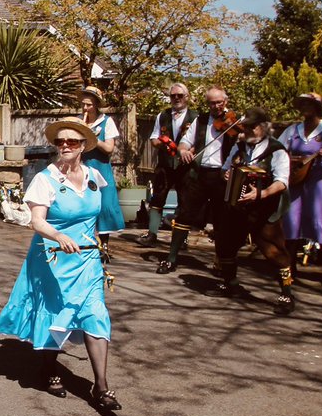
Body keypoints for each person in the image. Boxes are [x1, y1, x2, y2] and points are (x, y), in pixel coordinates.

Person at [0, 118, 122, 414]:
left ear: (83, 147)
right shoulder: (45, 179)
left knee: (96, 314)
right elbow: (36, 220)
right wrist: (58, 235)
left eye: (72, 142)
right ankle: (48, 367)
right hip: (52, 258)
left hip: (88, 260)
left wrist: (103, 246)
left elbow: (97, 216)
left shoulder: (93, 176)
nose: (64, 146)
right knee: (57, 313)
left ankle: (101, 386)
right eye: (60, 142)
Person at [216, 108, 298, 315]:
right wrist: (227, 175)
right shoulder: (240, 147)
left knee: (274, 251)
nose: (247, 130)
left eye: (251, 126)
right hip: (238, 206)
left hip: (264, 209)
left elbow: (281, 183)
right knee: (226, 244)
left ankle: (286, 293)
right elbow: (226, 168)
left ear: (262, 127)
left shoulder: (277, 151)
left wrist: (259, 194)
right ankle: (230, 283)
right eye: (245, 127)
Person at [156, 86, 237, 275]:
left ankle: (221, 262)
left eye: (219, 102)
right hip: (199, 174)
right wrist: (183, 150)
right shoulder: (200, 120)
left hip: (222, 176)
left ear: (225, 102)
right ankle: (171, 258)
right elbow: (185, 141)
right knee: (184, 215)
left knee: (221, 220)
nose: (216, 106)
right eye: (212, 103)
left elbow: (240, 147)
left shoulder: (233, 121)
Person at [278, 92, 322, 287]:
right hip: (297, 182)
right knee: (291, 222)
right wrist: (291, 161)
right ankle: (290, 269)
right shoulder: (293, 130)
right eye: (302, 104)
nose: (305, 108)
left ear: (318, 107)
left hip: (320, 182)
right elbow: (278, 150)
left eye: (309, 104)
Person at [138, 83, 195, 248]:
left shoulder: (195, 117)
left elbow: (198, 141)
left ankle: (181, 238)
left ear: (187, 97)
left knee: (184, 202)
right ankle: (152, 233)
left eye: (180, 95)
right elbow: (154, 137)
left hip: (185, 165)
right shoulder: (162, 115)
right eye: (173, 96)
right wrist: (162, 144)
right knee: (157, 199)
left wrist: (187, 152)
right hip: (165, 164)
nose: (176, 98)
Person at [77, 86, 125, 241]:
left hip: (100, 169)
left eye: (89, 105)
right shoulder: (79, 120)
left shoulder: (106, 121)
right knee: (83, 206)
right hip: (81, 169)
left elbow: (109, 148)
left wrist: (92, 138)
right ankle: (85, 244)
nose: (85, 108)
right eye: (83, 104)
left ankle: (104, 246)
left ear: (96, 105)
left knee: (103, 207)